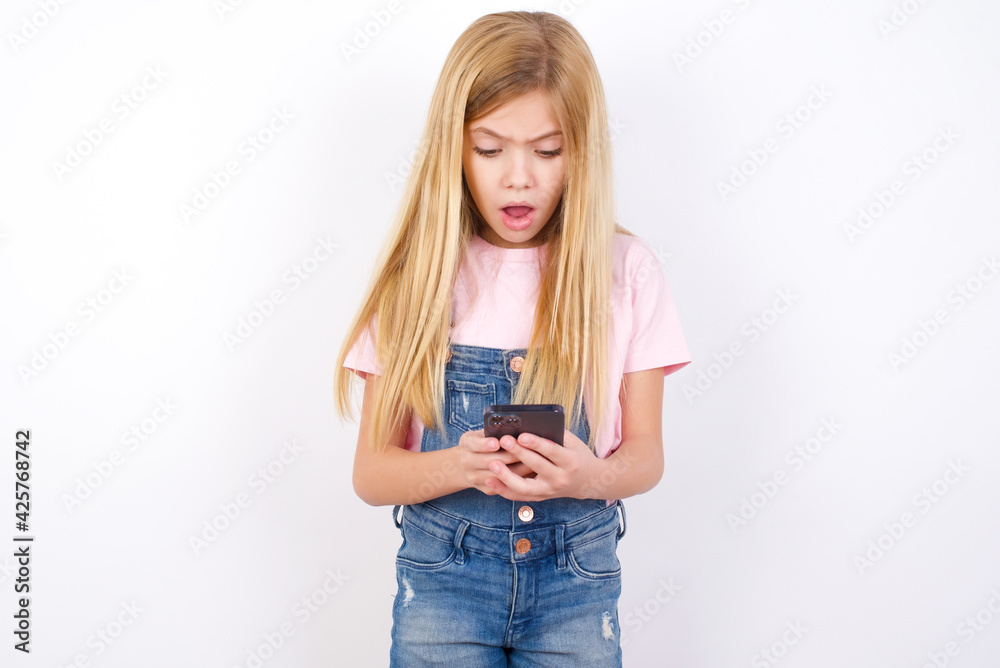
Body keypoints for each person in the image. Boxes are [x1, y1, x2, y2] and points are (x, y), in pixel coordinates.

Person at [333, 10, 691, 666]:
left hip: (575, 587)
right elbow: (371, 473)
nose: (518, 177)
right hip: (444, 585)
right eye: (490, 148)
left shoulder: (627, 272)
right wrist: (459, 465)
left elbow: (648, 455)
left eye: (547, 150)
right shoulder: (419, 282)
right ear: (454, 148)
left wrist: (593, 476)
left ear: (581, 150)